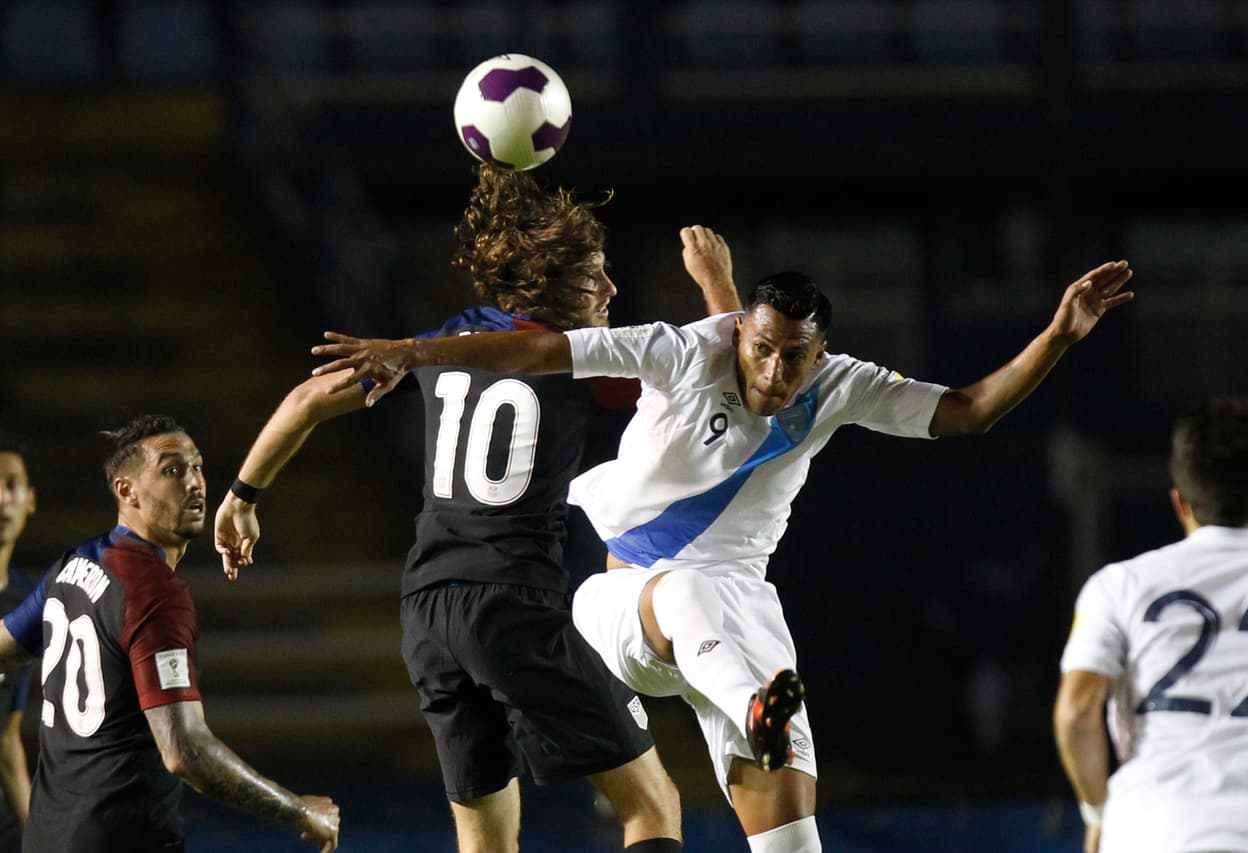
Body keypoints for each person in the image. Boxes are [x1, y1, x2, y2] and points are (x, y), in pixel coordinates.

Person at [311, 258, 1135, 852]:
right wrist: (413, 350)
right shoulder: (679, 348)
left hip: (740, 620)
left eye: (796, 356)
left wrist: (1059, 334)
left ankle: (752, 713)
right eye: (762, 348)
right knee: (686, 593)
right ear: (739, 330)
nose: (776, 372)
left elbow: (967, 410)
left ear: (821, 351)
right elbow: (535, 352)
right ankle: (750, 709)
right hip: (621, 607)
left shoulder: (839, 383)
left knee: (790, 841)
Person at [213, 164, 741, 853]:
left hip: (428, 610)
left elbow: (308, 399)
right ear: (551, 287)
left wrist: (242, 494)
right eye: (595, 274)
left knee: (484, 837)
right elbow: (735, 366)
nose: (611, 289)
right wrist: (714, 280)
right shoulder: (580, 359)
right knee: (652, 804)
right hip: (512, 603)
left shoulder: (445, 341)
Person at [0, 415, 340, 853]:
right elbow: (186, 752)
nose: (195, 483)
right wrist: (298, 810)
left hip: (46, 839)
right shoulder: (154, 591)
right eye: (172, 471)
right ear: (126, 491)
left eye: (197, 467)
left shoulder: (74, 563)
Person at [1055, 396, 1248, 853]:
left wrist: (1099, 813)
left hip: (1155, 826)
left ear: (1180, 502)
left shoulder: (1120, 585)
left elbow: (1077, 713)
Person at [0, 433, 36, 850]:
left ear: (30, 499)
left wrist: (35, 835)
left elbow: (6, 736)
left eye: (11, 484)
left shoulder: (26, 603)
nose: (2, 498)